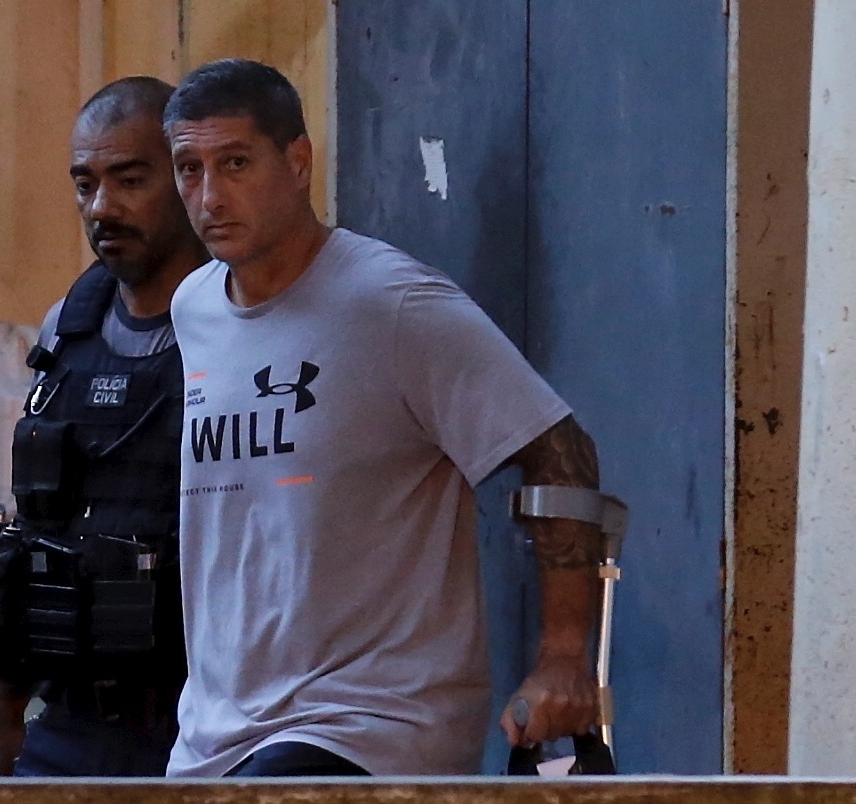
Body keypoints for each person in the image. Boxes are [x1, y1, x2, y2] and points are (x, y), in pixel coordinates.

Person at [162, 58, 604, 777]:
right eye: (190, 169)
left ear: (297, 162)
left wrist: (562, 657)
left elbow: (560, 449)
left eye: (235, 163)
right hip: (216, 732)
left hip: (369, 723)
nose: (210, 195)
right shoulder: (195, 307)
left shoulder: (391, 303)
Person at [0, 76, 208, 777]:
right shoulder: (68, 330)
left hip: (202, 730)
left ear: (185, 178)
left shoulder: (241, 326)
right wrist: (5, 724)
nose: (102, 207)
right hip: (69, 728)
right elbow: (31, 537)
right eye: (85, 184)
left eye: (130, 180)